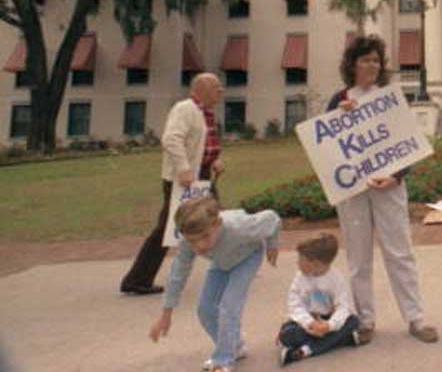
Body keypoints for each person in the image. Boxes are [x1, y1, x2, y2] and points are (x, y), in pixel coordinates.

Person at [326, 34, 438, 344]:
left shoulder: (389, 98)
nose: (372, 65)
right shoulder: (339, 100)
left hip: (389, 186)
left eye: (376, 60)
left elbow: (408, 143)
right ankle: (364, 320)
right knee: (358, 257)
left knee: (399, 253)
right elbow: (326, 148)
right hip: (353, 191)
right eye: (366, 59)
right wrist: (339, 117)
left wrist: (397, 175)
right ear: (353, 64)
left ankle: (415, 318)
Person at [120, 72, 225, 296]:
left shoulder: (205, 113)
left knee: (218, 219)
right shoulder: (185, 109)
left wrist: (215, 160)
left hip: (202, 176)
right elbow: (171, 139)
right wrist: (184, 169)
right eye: (216, 87)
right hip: (185, 180)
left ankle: (230, 264)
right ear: (201, 89)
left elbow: (202, 144)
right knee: (168, 229)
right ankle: (137, 279)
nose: (221, 91)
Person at [148, 196, 281, 372]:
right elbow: (177, 274)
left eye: (205, 237)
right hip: (220, 263)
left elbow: (272, 218)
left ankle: (223, 360)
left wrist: (272, 244)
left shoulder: (239, 226)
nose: (200, 246)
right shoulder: (188, 243)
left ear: (217, 224)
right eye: (192, 240)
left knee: (229, 308)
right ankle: (235, 347)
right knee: (205, 309)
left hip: (247, 258)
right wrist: (166, 313)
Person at [277, 233, 368, 366]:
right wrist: (309, 323)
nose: (297, 263)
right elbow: (294, 305)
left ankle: (305, 351)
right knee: (287, 335)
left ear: (316, 263)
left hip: (328, 321)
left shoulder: (336, 279)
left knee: (353, 321)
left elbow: (343, 307)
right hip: (306, 322)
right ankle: (344, 340)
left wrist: (328, 325)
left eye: (301, 259)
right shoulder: (300, 277)